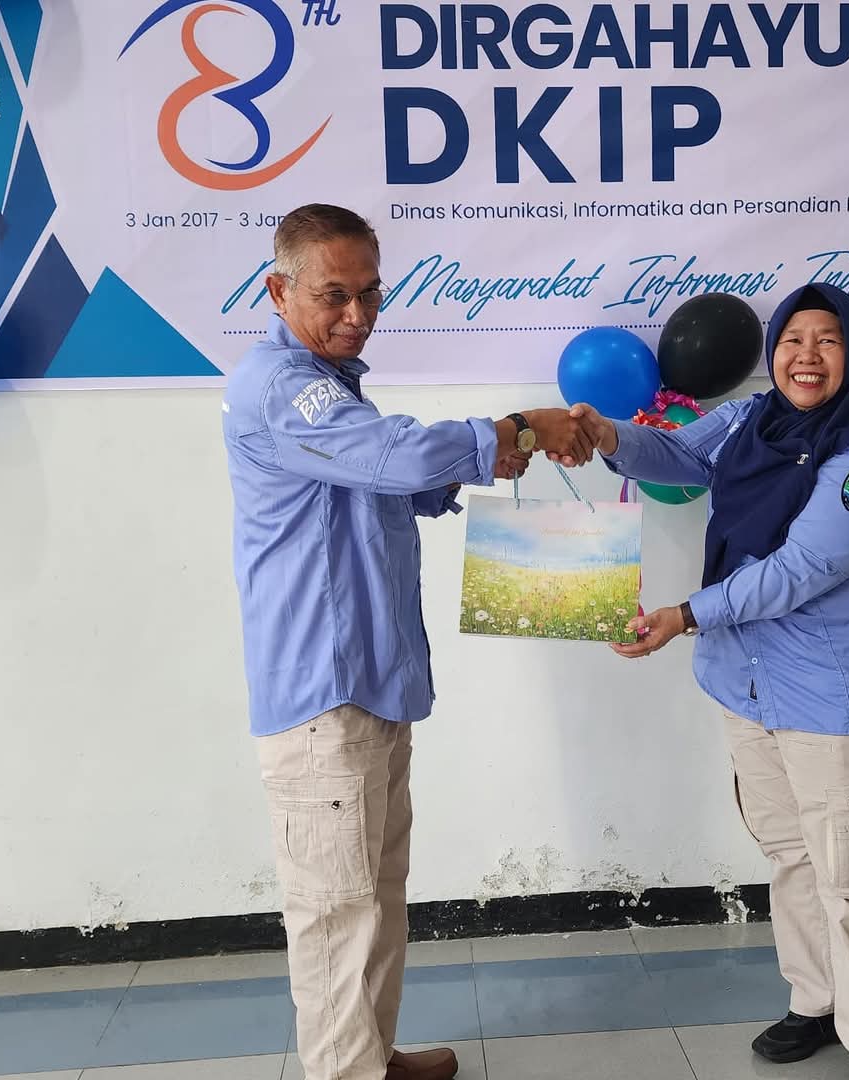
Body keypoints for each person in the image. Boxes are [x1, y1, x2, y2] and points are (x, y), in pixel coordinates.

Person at [221, 203, 593, 1080]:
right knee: (336, 917)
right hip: (326, 694)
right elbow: (396, 459)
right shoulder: (285, 387)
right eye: (334, 295)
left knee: (375, 899)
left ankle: (370, 1058)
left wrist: (493, 453)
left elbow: (385, 479)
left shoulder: (331, 385)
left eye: (371, 294)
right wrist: (518, 430)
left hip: (372, 683)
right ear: (278, 291)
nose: (358, 314)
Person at [570, 283, 849, 1080]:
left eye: (827, 341)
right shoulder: (750, 421)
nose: (806, 356)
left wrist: (684, 615)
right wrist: (606, 434)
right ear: (773, 351)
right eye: (793, 339)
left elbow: (801, 569)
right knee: (791, 854)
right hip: (750, 685)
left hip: (834, 695)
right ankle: (816, 1002)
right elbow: (680, 457)